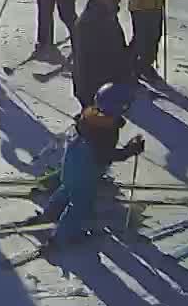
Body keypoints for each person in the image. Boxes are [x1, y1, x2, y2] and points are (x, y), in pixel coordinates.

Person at [39, 82, 145, 247]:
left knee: (66, 189)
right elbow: (105, 154)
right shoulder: (105, 130)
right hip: (85, 171)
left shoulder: (90, 117)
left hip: (71, 163)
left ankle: (50, 213)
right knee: (80, 204)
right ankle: (61, 238)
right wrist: (129, 151)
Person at [71, 0, 133, 111]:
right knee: (96, 126)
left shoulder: (107, 15)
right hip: (95, 90)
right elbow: (92, 61)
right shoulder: (90, 22)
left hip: (108, 88)